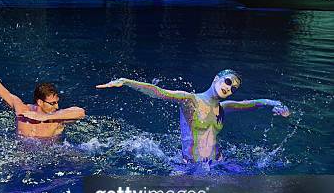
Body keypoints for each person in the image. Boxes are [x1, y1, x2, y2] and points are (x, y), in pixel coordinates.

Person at [96, 69, 291, 163]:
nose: (229, 88)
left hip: (218, 162)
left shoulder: (224, 107)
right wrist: (126, 81)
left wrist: (275, 104)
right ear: (216, 78)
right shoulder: (190, 100)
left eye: (233, 87)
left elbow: (251, 103)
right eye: (227, 81)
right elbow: (158, 91)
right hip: (189, 166)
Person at [0, 56, 85, 138]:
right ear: (39, 102)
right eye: (52, 103)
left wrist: (46, 117)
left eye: (56, 102)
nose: (56, 106)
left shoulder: (57, 117)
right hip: (20, 158)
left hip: (50, 159)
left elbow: (80, 113)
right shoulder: (22, 110)